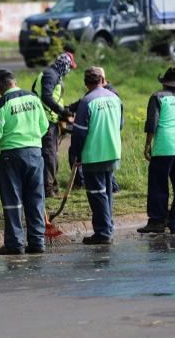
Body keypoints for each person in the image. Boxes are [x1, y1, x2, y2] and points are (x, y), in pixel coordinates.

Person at [0, 69, 49, 255]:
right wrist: (31, 140)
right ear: (14, 81)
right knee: (35, 198)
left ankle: (15, 244)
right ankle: (37, 242)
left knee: (13, 201)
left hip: (11, 156)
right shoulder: (33, 98)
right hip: (35, 153)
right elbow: (44, 125)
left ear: (1, 85)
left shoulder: (1, 104)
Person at [137, 67, 175, 234]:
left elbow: (152, 123)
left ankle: (157, 221)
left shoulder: (157, 97)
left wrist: (148, 144)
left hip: (165, 146)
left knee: (158, 183)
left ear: (164, 83)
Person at [69, 67, 123, 245]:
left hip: (94, 154)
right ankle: (108, 227)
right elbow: (120, 124)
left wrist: (75, 155)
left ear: (86, 83)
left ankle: (103, 232)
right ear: (102, 80)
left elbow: (79, 133)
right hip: (113, 151)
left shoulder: (87, 101)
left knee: (97, 193)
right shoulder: (115, 98)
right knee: (107, 191)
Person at [31, 44, 77, 198]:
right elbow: (45, 96)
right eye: (70, 67)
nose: (70, 70)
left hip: (49, 118)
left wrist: (63, 112)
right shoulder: (51, 75)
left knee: (50, 154)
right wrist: (61, 112)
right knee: (50, 155)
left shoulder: (51, 73)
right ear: (64, 65)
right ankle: (49, 190)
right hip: (46, 121)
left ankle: (51, 187)